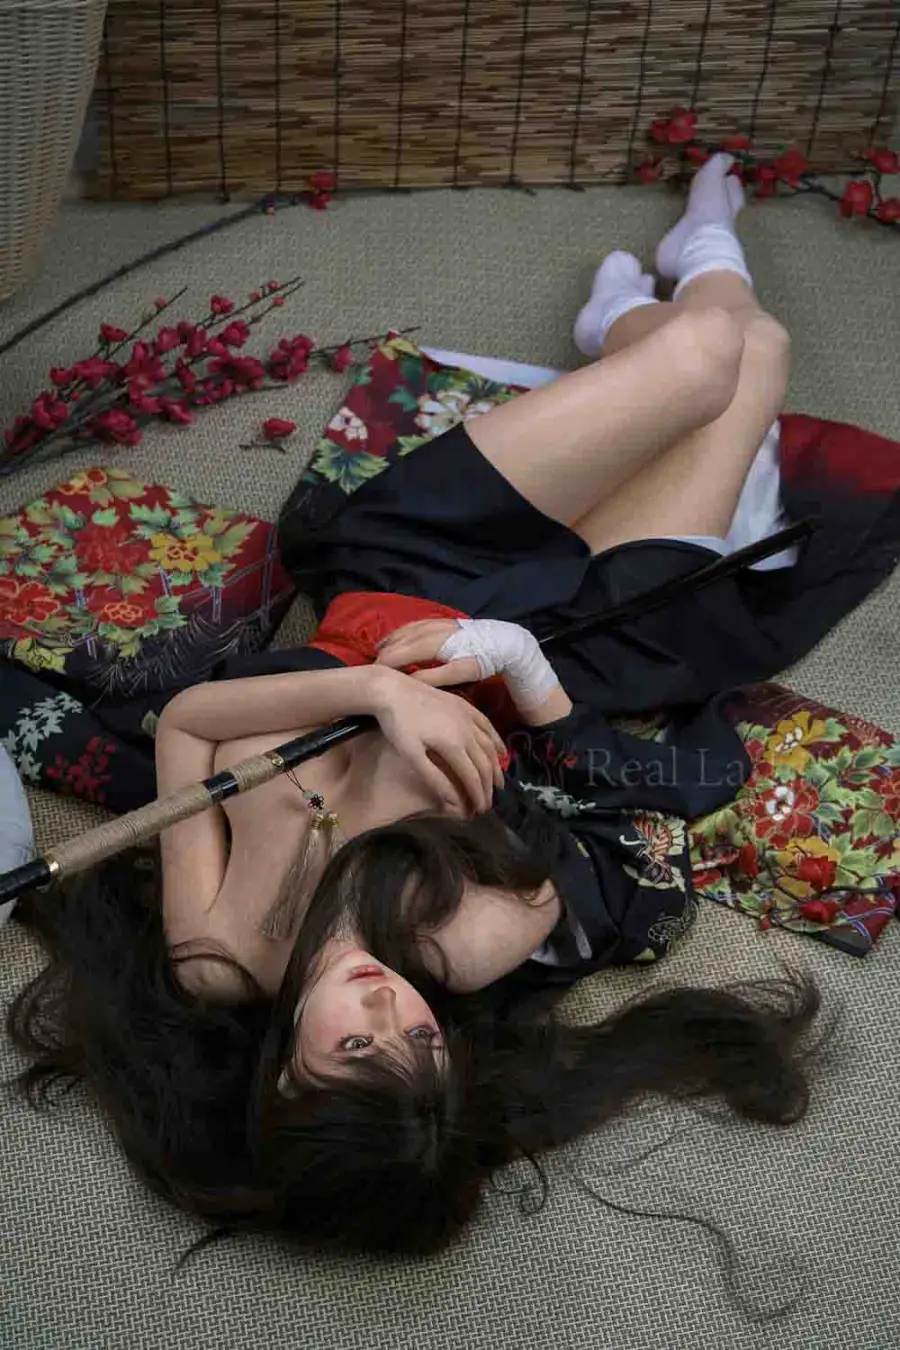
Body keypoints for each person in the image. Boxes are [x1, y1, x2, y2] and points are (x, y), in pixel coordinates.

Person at [10, 154, 893, 1258]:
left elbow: (189, 723)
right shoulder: (465, 943)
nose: (392, 1012)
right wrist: (514, 674)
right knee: (746, 348)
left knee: (699, 357)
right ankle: (670, 280)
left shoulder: (218, 955)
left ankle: (625, 325)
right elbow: (596, 803)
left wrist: (375, 688)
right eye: (423, 1047)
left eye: (357, 1048)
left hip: (407, 571)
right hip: (569, 627)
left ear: (285, 1075)